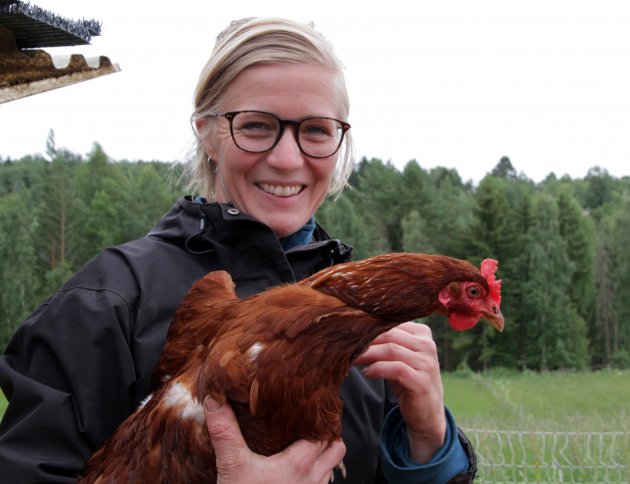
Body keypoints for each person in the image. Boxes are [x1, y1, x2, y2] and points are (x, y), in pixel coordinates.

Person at [0, 17, 477, 483]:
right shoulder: (110, 300)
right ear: (207, 133)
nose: (287, 159)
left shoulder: (374, 325)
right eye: (255, 126)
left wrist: (429, 442)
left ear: (339, 140)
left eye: (315, 130)